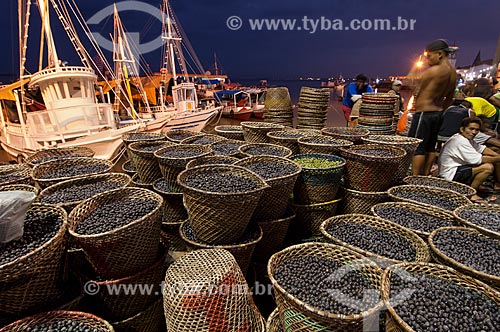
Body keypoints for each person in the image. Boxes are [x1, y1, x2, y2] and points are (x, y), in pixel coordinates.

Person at [408, 39, 457, 175]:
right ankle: (426, 175)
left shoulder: (434, 71)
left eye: (429, 56)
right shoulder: (453, 73)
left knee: (418, 146)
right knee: (430, 146)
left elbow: (412, 83)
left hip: (424, 113)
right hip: (438, 113)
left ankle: (415, 178)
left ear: (440, 54)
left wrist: (414, 69)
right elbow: (449, 97)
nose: (428, 60)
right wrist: (440, 110)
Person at [439, 117, 500, 203]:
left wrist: (496, 155)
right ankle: (471, 194)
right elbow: (479, 159)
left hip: (459, 168)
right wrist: (498, 158)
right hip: (450, 175)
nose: (474, 132)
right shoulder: (459, 141)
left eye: (476, 130)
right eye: (471, 129)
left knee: (493, 153)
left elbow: (482, 149)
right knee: (487, 167)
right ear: (462, 129)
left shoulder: (466, 138)